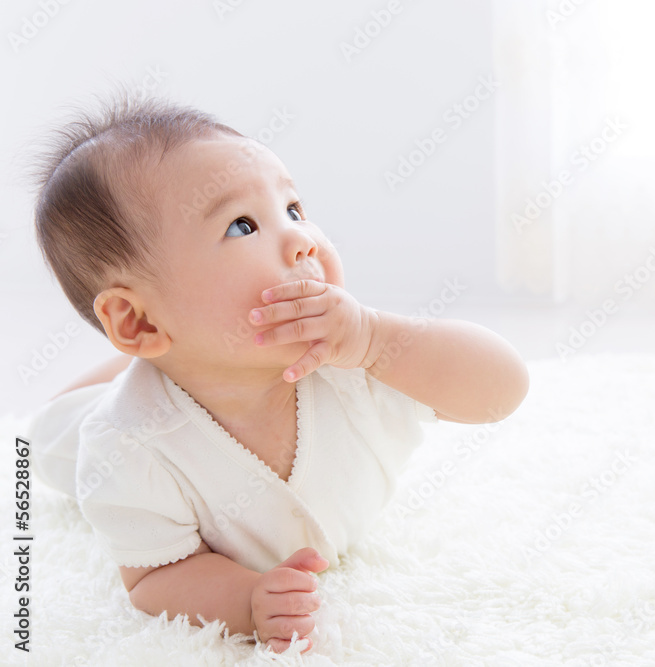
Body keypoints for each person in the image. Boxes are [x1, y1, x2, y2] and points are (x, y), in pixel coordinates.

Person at [24, 91, 529, 653]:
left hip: (169, 348)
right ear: (137, 319)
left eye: (293, 210)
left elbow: (503, 387)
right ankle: (129, 370)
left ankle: (170, 351)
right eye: (242, 226)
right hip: (72, 433)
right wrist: (245, 598)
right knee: (43, 435)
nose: (301, 240)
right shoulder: (123, 446)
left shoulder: (356, 356)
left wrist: (375, 338)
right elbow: (153, 576)